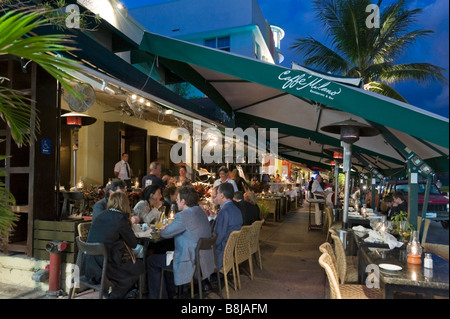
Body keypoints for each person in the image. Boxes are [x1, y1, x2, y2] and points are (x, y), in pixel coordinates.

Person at [146, 186, 214, 299]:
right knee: (167, 254)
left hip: (190, 262)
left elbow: (164, 234)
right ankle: (171, 292)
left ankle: (159, 297)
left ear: (183, 201)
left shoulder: (183, 216)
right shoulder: (200, 212)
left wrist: (165, 228)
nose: (176, 201)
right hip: (204, 261)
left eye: (177, 199)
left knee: (151, 260)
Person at [85, 192, 144, 299]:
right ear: (125, 204)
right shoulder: (120, 219)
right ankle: (115, 296)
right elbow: (133, 243)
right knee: (139, 266)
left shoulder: (100, 215)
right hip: (106, 269)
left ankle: (123, 294)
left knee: (129, 266)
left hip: (90, 267)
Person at [213, 182, 243, 269]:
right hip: (231, 251)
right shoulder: (237, 209)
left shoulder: (224, 212)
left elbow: (217, 238)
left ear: (222, 195)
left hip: (221, 254)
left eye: (217, 193)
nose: (217, 196)